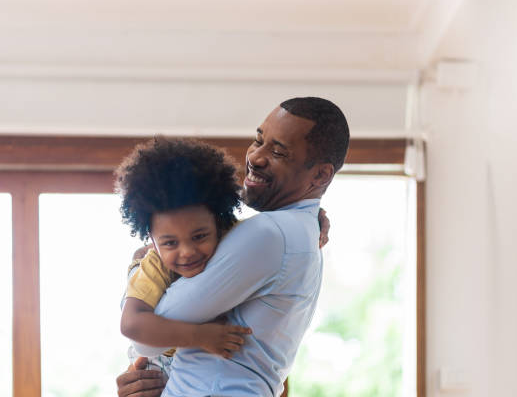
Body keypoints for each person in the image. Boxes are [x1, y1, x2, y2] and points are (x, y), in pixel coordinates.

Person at [116, 96, 350, 397]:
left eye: (278, 151)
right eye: (258, 140)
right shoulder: (293, 232)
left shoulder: (270, 233)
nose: (255, 156)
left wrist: (139, 266)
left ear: (319, 175)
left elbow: (148, 339)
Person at [115, 137, 254, 378]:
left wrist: (314, 220)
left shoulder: (235, 238)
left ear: (220, 224)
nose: (187, 251)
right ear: (152, 240)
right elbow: (131, 324)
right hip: (161, 367)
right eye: (169, 243)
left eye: (199, 236)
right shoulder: (153, 265)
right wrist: (200, 337)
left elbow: (274, 231)